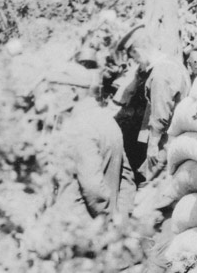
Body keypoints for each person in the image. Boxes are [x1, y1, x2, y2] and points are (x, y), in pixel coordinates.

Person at [112, 24, 191, 185]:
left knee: (149, 193)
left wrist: (153, 146)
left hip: (165, 143)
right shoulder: (172, 63)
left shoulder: (160, 75)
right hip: (177, 137)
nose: (135, 62)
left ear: (138, 52)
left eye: (134, 57)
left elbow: (161, 114)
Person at [54, 75, 137, 220]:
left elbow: (92, 186)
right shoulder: (107, 119)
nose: (52, 98)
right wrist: (121, 215)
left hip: (81, 224)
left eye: (56, 91)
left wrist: (106, 218)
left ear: (73, 91)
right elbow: (126, 175)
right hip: (106, 222)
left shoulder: (79, 126)